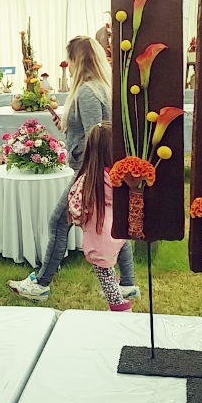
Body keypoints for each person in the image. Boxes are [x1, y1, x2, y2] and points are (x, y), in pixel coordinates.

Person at [7, 36, 139, 302]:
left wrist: (83, 164)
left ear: (77, 60)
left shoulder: (87, 91)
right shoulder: (102, 88)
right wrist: (68, 126)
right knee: (114, 224)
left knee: (59, 222)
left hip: (89, 170)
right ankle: (127, 283)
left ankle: (41, 284)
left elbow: (95, 135)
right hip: (100, 168)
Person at [67, 122, 138, 311]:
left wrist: (79, 220)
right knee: (110, 268)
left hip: (99, 238)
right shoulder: (119, 178)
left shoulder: (90, 179)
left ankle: (120, 309)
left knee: (105, 276)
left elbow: (76, 209)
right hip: (116, 231)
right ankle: (121, 292)